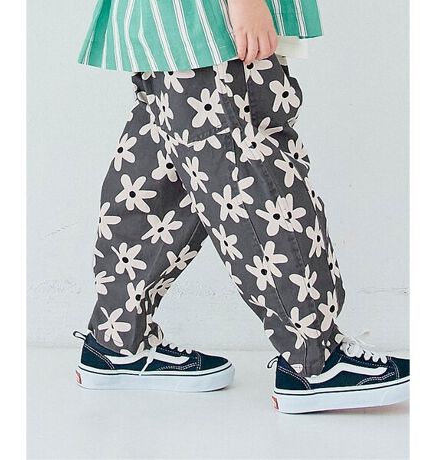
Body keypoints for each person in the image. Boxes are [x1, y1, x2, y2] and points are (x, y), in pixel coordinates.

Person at [74, 0, 409, 413]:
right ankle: (315, 360)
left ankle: (116, 339)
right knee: (253, 175)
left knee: (162, 175)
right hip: (208, 19)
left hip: (171, 24)